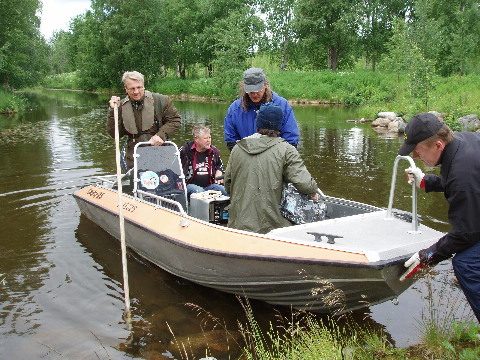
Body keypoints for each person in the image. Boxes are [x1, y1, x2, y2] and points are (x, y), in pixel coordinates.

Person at [398, 112, 480, 323]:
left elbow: (466, 234)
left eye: (417, 150)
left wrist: (430, 255)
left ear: (438, 145)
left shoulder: (462, 175)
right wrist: (426, 181)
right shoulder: (462, 141)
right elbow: (455, 180)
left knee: (466, 263)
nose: (415, 157)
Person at [224, 103, 319, 234]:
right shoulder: (287, 150)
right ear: (280, 125)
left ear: (258, 122)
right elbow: (305, 184)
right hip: (273, 227)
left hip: (239, 224)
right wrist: (313, 193)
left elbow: (228, 183)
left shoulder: (237, 148)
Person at [107, 71, 181, 169]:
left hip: (161, 154)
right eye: (132, 88)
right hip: (134, 157)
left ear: (143, 86)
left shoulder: (162, 100)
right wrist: (113, 111)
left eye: (139, 87)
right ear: (126, 89)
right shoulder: (119, 107)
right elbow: (115, 134)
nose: (136, 91)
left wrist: (161, 135)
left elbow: (175, 121)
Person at [223, 67, 300, 151]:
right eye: (251, 91)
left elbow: (291, 140)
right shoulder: (234, 109)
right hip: (246, 158)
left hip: (275, 159)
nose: (255, 94)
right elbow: (231, 140)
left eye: (258, 90)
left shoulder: (282, 105)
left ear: (265, 85)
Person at [179, 125, 227, 198]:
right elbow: (173, 165)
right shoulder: (184, 150)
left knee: (225, 190)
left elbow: (219, 164)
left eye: (209, 137)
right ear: (196, 139)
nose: (209, 140)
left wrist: (219, 171)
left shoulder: (214, 151)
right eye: (205, 138)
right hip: (189, 185)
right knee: (201, 193)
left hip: (209, 186)